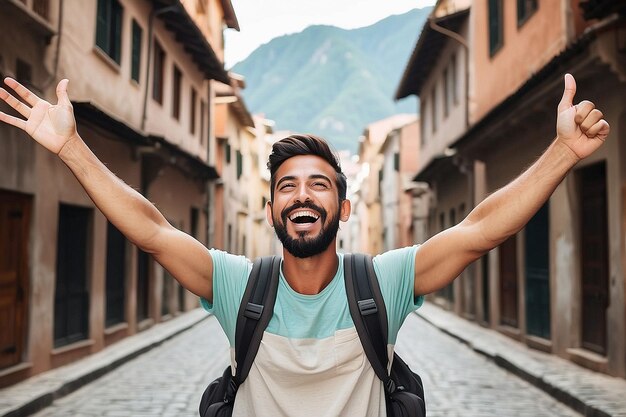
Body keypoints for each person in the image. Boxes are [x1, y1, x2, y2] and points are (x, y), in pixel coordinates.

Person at [0, 74, 610, 416]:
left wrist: (561, 154)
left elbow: (480, 231)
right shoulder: (239, 285)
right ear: (270, 209)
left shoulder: (383, 282)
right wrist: (72, 149)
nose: (301, 196)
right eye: (287, 187)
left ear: (342, 208)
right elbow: (154, 232)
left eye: (318, 185)